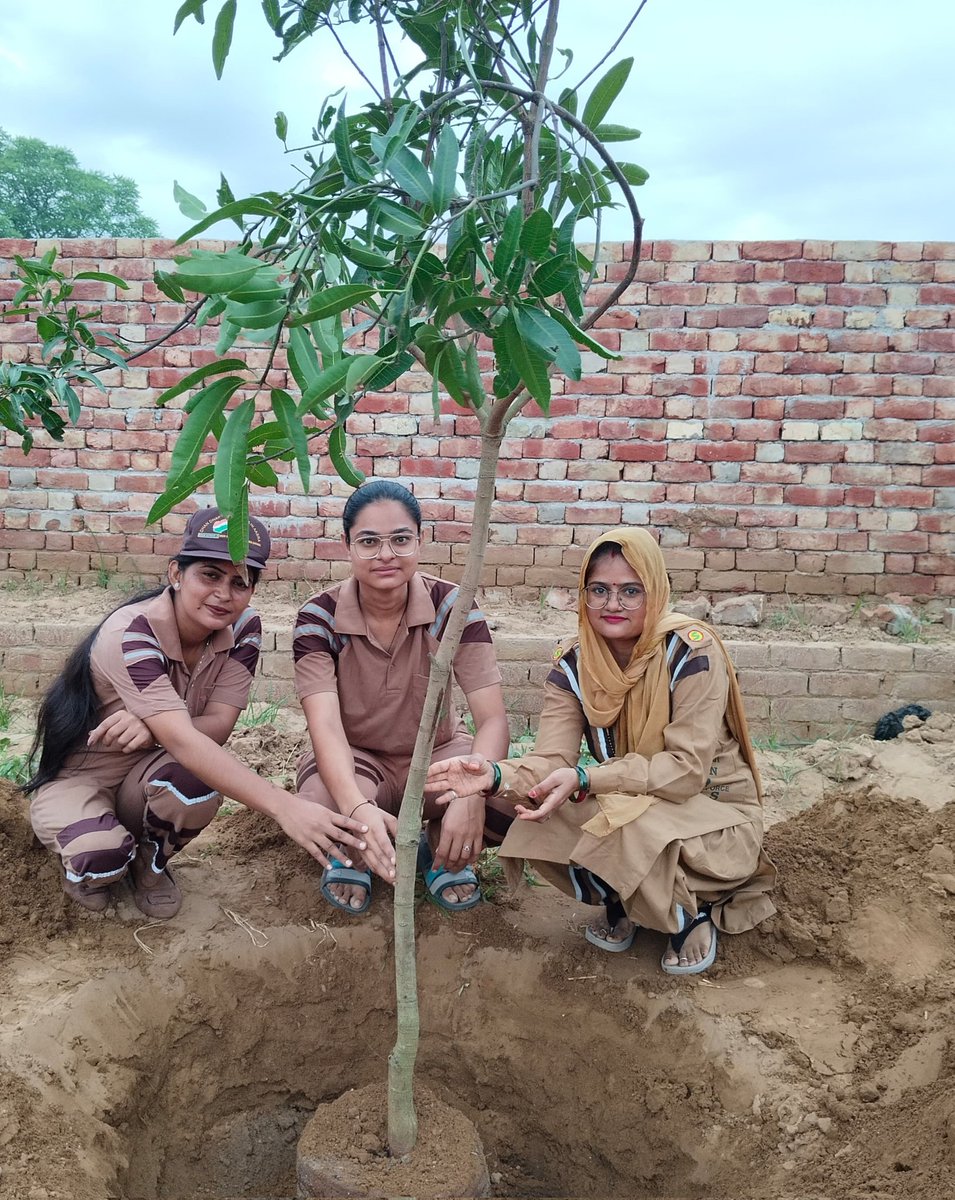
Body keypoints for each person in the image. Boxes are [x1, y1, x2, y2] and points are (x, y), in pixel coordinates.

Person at [427, 528, 776, 975]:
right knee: (539, 812)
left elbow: (687, 771)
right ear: (583, 595)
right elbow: (552, 761)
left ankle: (686, 912)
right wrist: (493, 777)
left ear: (656, 590)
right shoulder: (574, 663)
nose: (613, 605)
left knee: (625, 822)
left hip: (712, 815)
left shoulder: (690, 651)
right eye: (600, 591)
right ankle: (624, 898)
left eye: (631, 591)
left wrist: (590, 779)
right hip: (637, 803)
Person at [25, 507, 369, 919]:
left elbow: (219, 726)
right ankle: (95, 854)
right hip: (84, 776)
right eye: (209, 574)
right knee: (100, 857)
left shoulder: (243, 630)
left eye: (239, 582)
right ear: (176, 574)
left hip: (149, 772)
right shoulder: (132, 632)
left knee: (194, 779)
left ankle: (150, 865)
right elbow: (186, 739)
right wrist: (285, 806)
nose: (224, 593)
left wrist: (154, 729)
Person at [293, 480, 511, 915]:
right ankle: (356, 853)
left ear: (420, 540)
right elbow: (326, 727)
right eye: (369, 542)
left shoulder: (453, 606)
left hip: (438, 758)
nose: (386, 555)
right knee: (319, 803)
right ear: (346, 545)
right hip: (357, 762)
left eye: (400, 539)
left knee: (506, 799)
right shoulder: (318, 617)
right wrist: (356, 805)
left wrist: (470, 794)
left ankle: (440, 848)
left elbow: (492, 720)